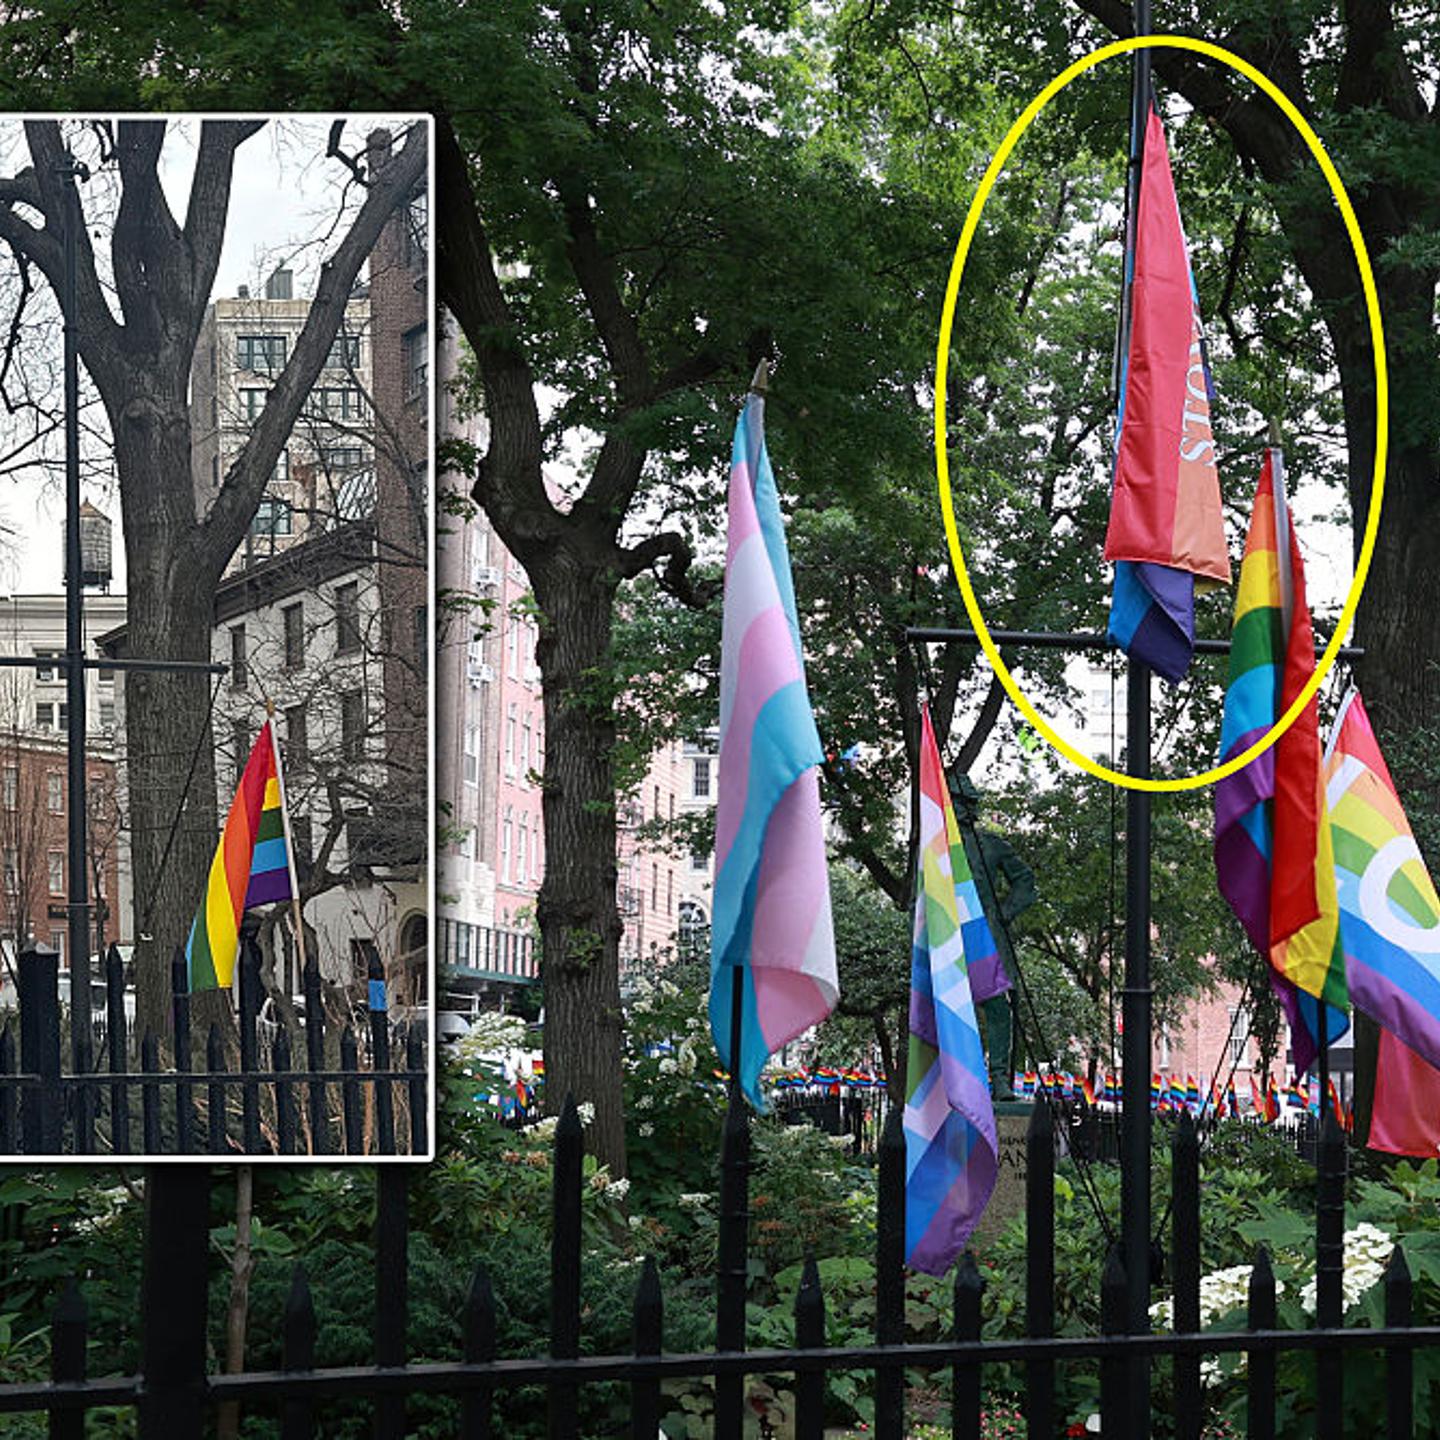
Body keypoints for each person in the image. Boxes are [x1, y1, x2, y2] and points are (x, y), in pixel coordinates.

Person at [949, 774, 1036, 1100]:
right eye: (959, 803)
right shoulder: (935, 849)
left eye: (968, 803)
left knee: (999, 1007)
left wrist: (1004, 912)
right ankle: (957, 1079)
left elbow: (1026, 883)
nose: (964, 810)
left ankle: (1000, 1079)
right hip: (948, 938)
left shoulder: (992, 846)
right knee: (950, 1008)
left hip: (987, 937)